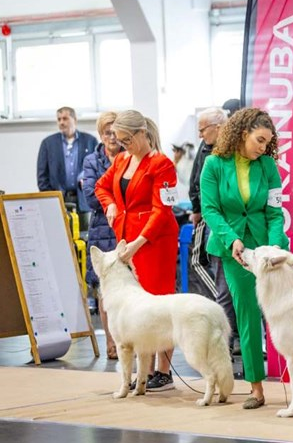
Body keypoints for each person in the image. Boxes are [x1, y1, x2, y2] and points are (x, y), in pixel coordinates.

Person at [200, 108, 289, 410]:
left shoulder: (268, 166)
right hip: (234, 251)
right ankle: (256, 388)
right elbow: (210, 210)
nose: (264, 148)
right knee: (248, 316)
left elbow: (275, 212)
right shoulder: (213, 165)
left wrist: (274, 250)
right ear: (243, 132)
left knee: (287, 316)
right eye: (260, 141)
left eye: (267, 143)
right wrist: (232, 239)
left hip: (269, 250)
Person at [95, 110, 179, 391]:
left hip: (154, 243)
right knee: (137, 309)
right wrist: (110, 204)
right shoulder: (121, 159)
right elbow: (101, 186)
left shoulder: (162, 164)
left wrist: (139, 242)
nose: (122, 145)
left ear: (142, 133)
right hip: (126, 240)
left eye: (127, 139)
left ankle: (163, 372)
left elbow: (161, 211)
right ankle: (143, 372)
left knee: (159, 304)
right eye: (119, 140)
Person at [187, 107, 238, 353]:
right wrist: (197, 208)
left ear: (218, 127)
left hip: (238, 227)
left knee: (236, 291)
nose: (199, 135)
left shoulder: (238, 152)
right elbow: (196, 181)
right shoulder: (207, 153)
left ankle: (238, 339)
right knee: (223, 289)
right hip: (215, 226)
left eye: (202, 130)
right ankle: (223, 343)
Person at [81, 111, 121, 360]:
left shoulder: (130, 156)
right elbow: (91, 197)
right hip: (101, 230)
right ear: (100, 134)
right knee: (104, 291)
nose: (112, 137)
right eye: (107, 132)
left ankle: (129, 340)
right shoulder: (92, 161)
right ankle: (111, 342)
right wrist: (118, 198)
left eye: (116, 131)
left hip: (126, 229)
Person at [37, 106, 98, 230]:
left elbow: (97, 169)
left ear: (74, 119)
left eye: (65, 118)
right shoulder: (48, 143)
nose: (61, 122)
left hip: (84, 201)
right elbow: (42, 177)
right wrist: (50, 198)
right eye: (59, 119)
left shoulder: (90, 141)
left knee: (84, 237)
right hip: (58, 200)